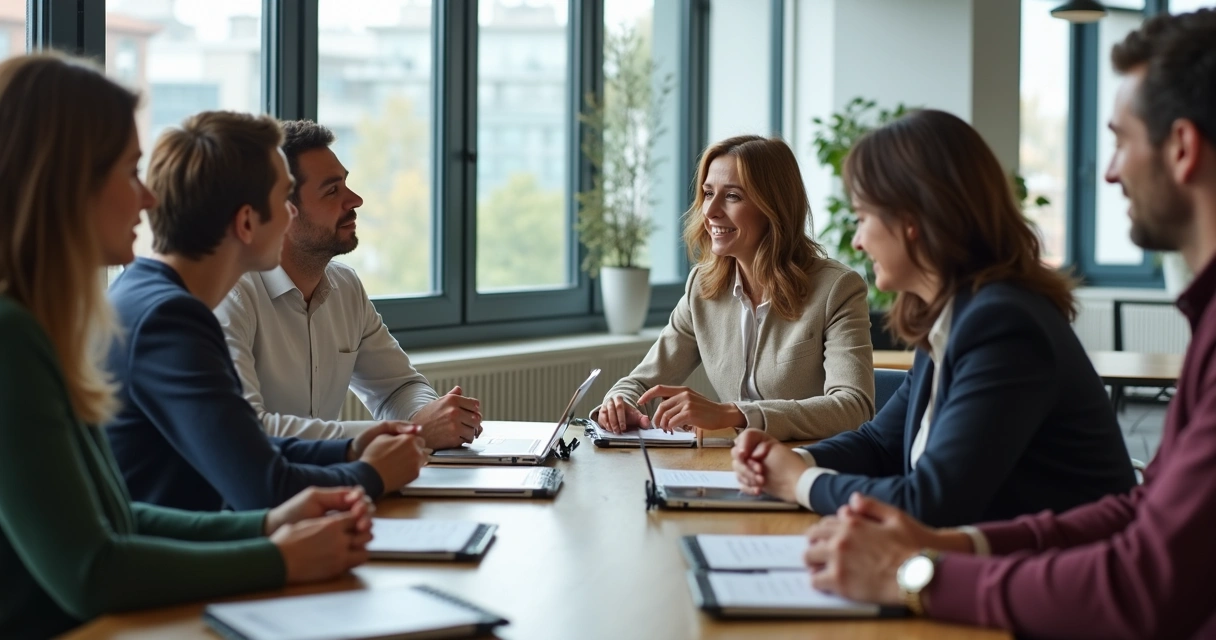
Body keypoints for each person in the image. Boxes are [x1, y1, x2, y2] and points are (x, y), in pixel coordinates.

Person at [801, 10, 1216, 639]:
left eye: (1120, 140)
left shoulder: (1001, 320)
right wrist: (956, 547)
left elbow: (1142, 585)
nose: (1107, 171)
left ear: (1181, 148)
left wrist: (918, 571)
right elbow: (1139, 509)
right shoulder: (1206, 321)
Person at [0, 53, 374, 639]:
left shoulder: (42, 322)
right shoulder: (12, 336)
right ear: (66, 184)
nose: (147, 200)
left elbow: (114, 519)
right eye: (128, 172)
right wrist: (279, 556)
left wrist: (266, 527)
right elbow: (91, 570)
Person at [730, 109, 1137, 528]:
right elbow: (880, 443)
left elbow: (931, 502)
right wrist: (789, 459)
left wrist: (800, 482)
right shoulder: (952, 317)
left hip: (1063, 582)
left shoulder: (1003, 325)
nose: (857, 239)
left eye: (862, 218)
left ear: (910, 222)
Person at [105, 111, 426, 512]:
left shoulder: (149, 296)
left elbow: (243, 443)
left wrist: (351, 448)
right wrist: (372, 474)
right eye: (282, 200)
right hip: (174, 565)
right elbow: (263, 486)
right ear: (246, 222)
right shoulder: (169, 319)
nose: (290, 215)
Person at [213, 120, 481, 449]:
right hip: (265, 495)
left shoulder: (346, 286)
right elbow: (250, 428)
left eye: (346, 185)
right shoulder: (231, 295)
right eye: (332, 190)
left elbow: (398, 387)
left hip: (331, 485)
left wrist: (431, 415)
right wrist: (409, 434)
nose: (355, 200)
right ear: (284, 209)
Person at [594, 135, 874, 441]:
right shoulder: (702, 287)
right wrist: (619, 403)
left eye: (732, 196)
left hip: (805, 467)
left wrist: (733, 414)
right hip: (728, 467)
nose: (710, 211)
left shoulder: (837, 289)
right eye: (708, 193)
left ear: (774, 207)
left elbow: (853, 407)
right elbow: (642, 382)